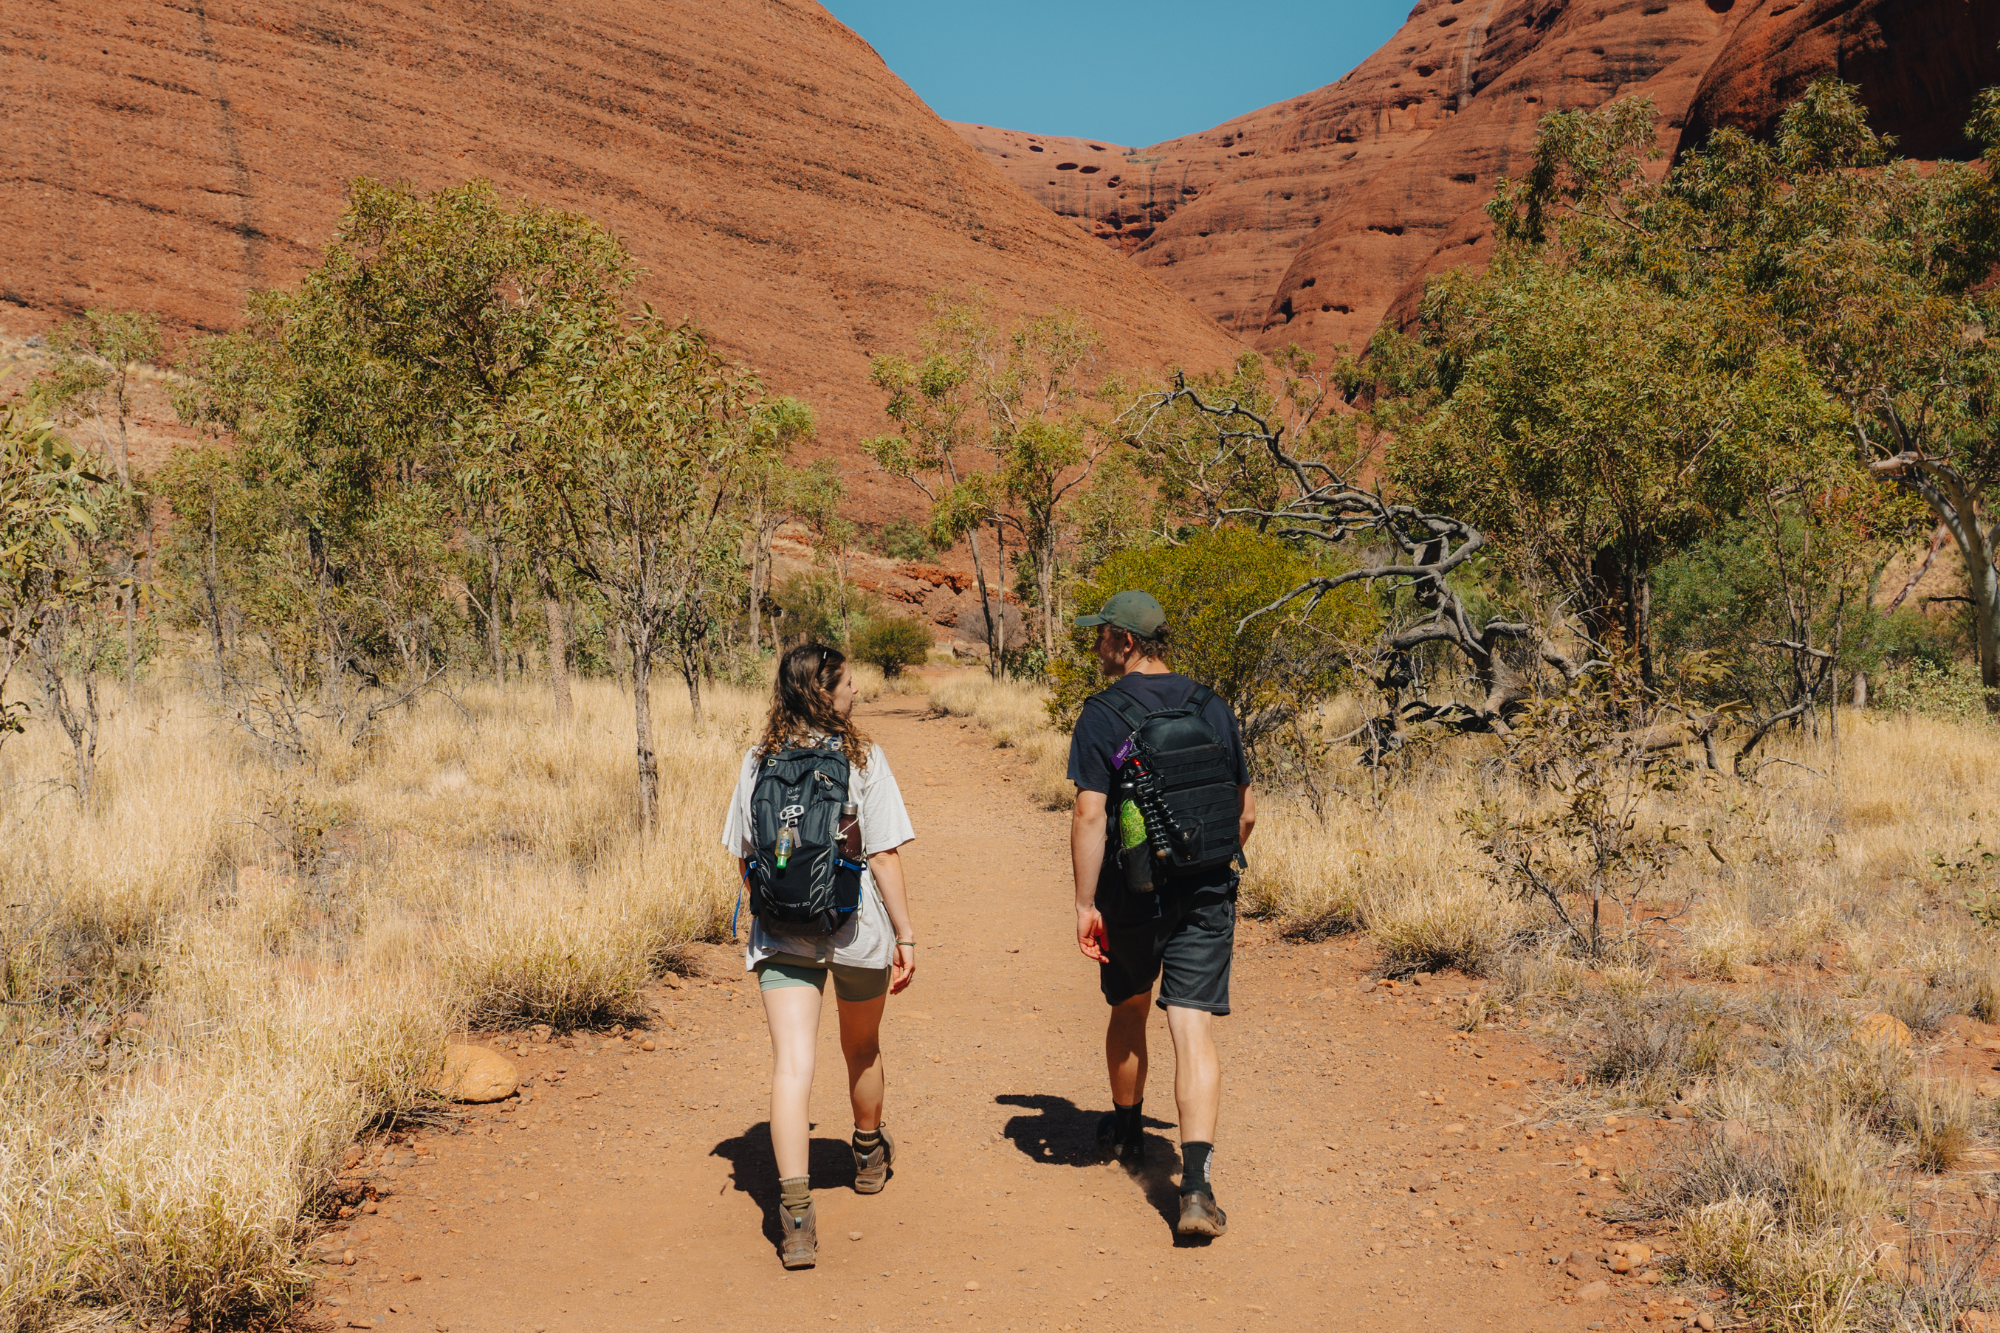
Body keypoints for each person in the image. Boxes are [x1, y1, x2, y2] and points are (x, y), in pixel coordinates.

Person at [721, 642, 917, 1269]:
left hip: (782, 936)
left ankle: (797, 1217)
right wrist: (907, 935)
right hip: (856, 932)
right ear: (825, 692)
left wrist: (778, 910)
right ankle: (866, 1154)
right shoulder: (864, 757)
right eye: (850, 683)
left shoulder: (758, 761)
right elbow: (883, 855)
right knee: (861, 1047)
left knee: (791, 1067)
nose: (857, 691)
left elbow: (746, 855)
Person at [1067, 590, 1255, 1238]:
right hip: (1205, 888)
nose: (1096, 646)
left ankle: (1125, 1135)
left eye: (1101, 635)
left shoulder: (1101, 714)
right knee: (1193, 1028)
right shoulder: (1211, 705)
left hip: (1130, 893)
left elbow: (1091, 811)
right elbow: (1245, 810)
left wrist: (1086, 902)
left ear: (1125, 640)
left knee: (1129, 1006)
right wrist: (1203, 865)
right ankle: (1196, 1187)